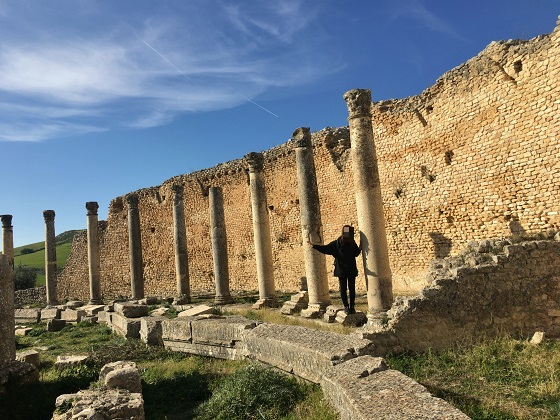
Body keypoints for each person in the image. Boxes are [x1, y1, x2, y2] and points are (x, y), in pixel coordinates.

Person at [308, 225, 361, 314]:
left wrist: (314, 246)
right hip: (349, 270)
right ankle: (351, 307)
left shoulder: (337, 243)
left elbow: (325, 249)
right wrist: (360, 246)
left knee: (344, 289)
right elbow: (356, 253)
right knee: (350, 288)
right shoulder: (349, 243)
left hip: (342, 270)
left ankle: (347, 307)